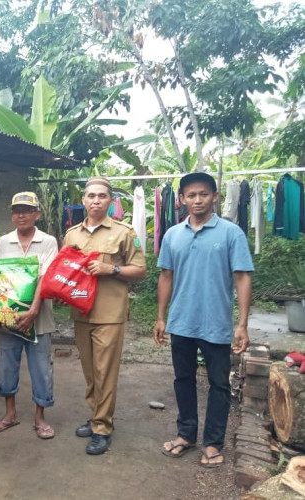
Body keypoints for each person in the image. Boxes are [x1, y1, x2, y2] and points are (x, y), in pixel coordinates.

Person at [153, 172, 252, 468]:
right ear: (182, 199)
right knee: (183, 380)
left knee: (219, 385)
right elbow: (166, 276)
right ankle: (186, 435)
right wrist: (160, 317)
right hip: (181, 322)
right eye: (192, 195)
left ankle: (213, 443)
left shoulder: (231, 233)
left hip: (216, 324)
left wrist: (242, 323)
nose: (198, 200)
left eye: (204, 194)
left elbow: (242, 276)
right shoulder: (172, 234)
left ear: (215, 196)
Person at [63, 177, 147, 455]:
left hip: (109, 312)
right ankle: (95, 414)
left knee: (105, 373)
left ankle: (102, 427)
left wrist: (111, 270)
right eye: (91, 196)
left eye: (102, 196)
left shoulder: (124, 232)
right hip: (81, 312)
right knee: (90, 372)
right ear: (84, 200)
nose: (96, 200)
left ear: (110, 201)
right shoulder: (72, 234)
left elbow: (140, 270)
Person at [0, 192, 58, 439]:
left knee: (41, 368)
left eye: (27, 210)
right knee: (6, 365)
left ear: (37, 214)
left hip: (39, 319)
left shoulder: (48, 241)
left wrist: (34, 309)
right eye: (17, 211)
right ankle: (10, 414)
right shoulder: (4, 242)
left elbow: (45, 277)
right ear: (12, 215)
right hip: (8, 317)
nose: (21, 215)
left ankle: (40, 417)